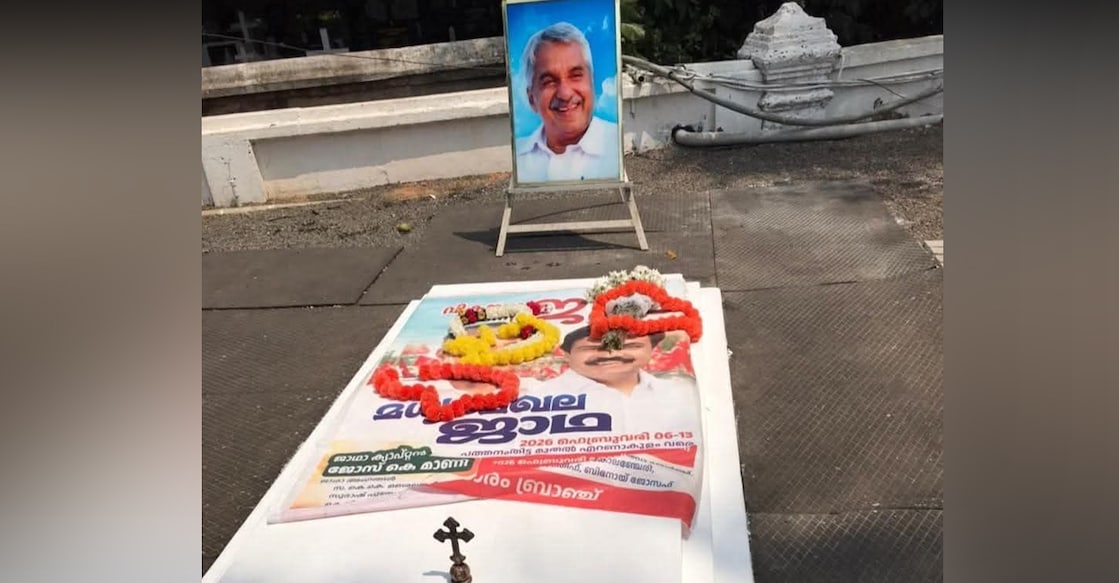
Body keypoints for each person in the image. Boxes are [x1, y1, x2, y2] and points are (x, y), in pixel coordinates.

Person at [534, 326, 701, 435]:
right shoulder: (538, 397)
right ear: (567, 355)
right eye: (592, 348)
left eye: (629, 346)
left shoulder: (679, 392)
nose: (611, 354)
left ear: (652, 349)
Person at [514, 22, 621, 184]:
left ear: (592, 83)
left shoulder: (616, 146)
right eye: (549, 81)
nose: (565, 94)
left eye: (576, 76)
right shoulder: (518, 157)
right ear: (531, 99)